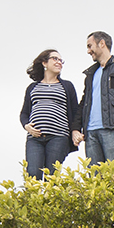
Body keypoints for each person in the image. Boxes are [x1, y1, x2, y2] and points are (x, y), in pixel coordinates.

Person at [72, 31, 114, 163]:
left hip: (113, 131)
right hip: (90, 134)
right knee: (94, 180)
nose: (88, 51)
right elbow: (84, 102)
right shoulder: (90, 74)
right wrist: (76, 128)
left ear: (102, 44)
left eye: (90, 46)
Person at [19, 48, 78, 179]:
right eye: (55, 59)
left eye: (61, 60)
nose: (59, 62)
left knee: (52, 176)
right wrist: (26, 126)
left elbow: (75, 112)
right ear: (44, 63)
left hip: (58, 137)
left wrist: (75, 131)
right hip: (35, 139)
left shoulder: (67, 86)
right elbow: (24, 113)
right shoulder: (33, 87)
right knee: (33, 174)